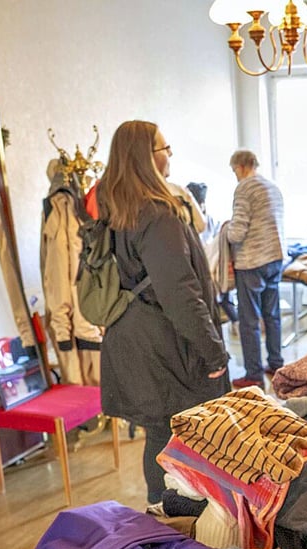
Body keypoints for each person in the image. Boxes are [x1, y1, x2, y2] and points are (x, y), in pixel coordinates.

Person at [98, 120, 230, 505]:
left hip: (132, 340)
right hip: (162, 345)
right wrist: (213, 350)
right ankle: (178, 521)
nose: (169, 154)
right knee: (184, 437)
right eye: (164, 147)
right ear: (145, 156)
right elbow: (180, 293)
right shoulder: (155, 215)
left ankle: (163, 518)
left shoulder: (115, 209)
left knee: (160, 433)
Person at [226, 150, 286, 389]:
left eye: (233, 171)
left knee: (249, 320)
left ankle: (253, 374)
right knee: (272, 315)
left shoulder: (245, 188)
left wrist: (226, 231)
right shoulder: (273, 188)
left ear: (241, 166)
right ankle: (276, 363)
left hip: (252, 261)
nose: (235, 176)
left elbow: (238, 230)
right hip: (275, 257)